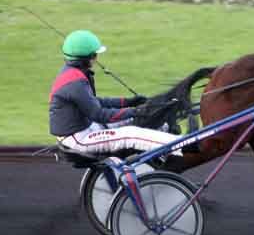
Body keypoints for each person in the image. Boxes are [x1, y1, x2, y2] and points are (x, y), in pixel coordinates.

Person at [48, 29, 182, 158]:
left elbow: (96, 102)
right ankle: (181, 145)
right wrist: (134, 111)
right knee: (131, 134)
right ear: (85, 58)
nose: (96, 58)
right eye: (94, 55)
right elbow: (99, 114)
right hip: (78, 138)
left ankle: (167, 148)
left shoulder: (73, 74)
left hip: (87, 127)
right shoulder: (75, 82)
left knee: (134, 120)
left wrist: (128, 102)